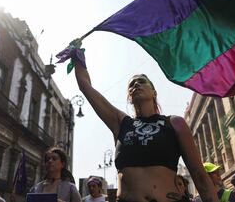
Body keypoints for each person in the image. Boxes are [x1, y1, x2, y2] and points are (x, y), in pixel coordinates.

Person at [70, 38, 218, 202]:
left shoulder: (175, 123)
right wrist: (77, 56)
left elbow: (199, 176)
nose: (136, 85)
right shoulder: (121, 123)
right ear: (129, 97)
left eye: (142, 82)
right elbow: (85, 86)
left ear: (154, 92)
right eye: (132, 84)